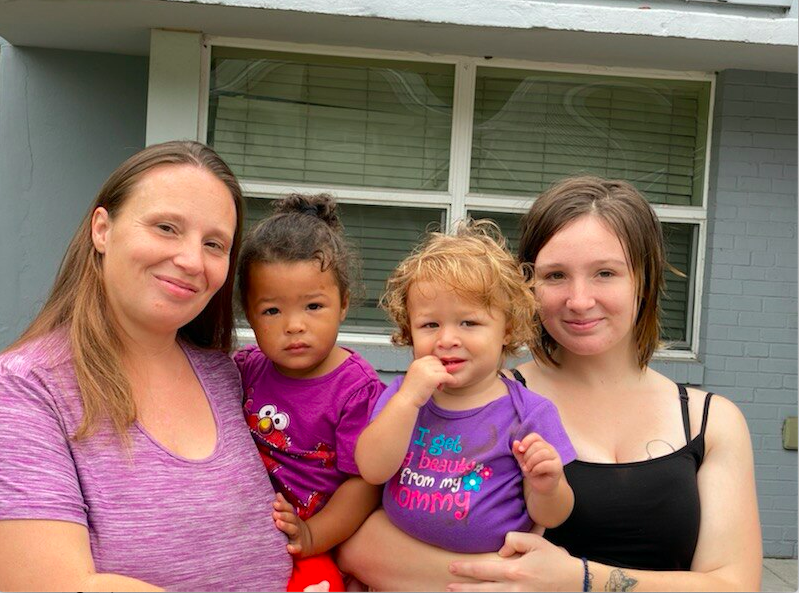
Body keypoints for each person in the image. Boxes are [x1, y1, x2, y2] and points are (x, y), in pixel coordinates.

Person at [337, 176, 762, 592]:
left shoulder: (710, 421)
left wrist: (575, 581)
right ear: (525, 290)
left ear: (644, 280)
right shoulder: (472, 397)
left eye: (605, 273)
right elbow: (361, 544)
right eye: (555, 276)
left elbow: (734, 584)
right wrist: (513, 581)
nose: (579, 300)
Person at [0, 141, 292, 592]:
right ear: (102, 229)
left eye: (214, 243)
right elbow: (49, 584)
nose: (192, 261)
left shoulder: (226, 376)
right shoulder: (26, 388)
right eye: (166, 227)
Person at [355, 220, 577, 556]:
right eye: (429, 324)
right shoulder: (404, 395)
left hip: (486, 574)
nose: (446, 340)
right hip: (397, 566)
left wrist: (548, 486)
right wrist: (408, 401)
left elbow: (550, 516)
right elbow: (372, 470)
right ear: (409, 331)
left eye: (469, 323)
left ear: (507, 328)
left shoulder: (529, 413)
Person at [235, 193, 384, 591]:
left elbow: (365, 483)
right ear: (250, 315)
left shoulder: (357, 389)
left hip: (322, 539)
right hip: (254, 531)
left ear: (344, 305)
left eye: (313, 306)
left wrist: (313, 535)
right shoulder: (246, 369)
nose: (294, 325)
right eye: (272, 311)